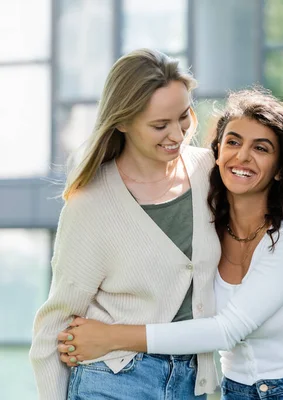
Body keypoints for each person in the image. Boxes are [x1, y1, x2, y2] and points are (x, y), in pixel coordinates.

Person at [57, 89, 283, 399]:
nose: (242, 157)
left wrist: (111, 337)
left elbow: (226, 330)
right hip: (237, 391)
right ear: (218, 152)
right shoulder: (207, 229)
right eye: (233, 142)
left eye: (261, 148)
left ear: (280, 169)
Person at [29, 48, 221, 399]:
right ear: (122, 121)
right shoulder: (91, 202)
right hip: (113, 379)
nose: (177, 135)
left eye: (183, 117)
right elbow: (55, 323)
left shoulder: (211, 172)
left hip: (194, 380)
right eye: (159, 125)